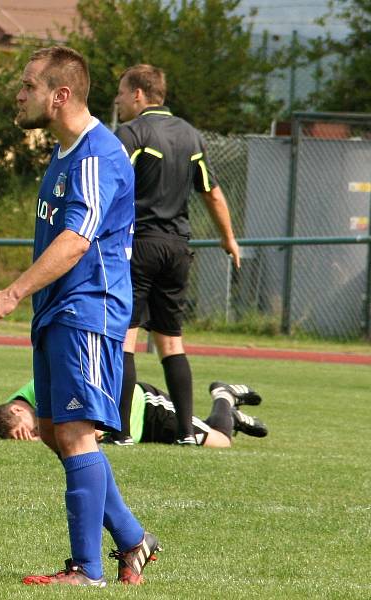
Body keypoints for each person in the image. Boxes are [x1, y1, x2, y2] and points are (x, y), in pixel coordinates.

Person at [0, 46, 159, 587]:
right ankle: (132, 538)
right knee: (55, 431)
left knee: (76, 433)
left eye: (28, 84)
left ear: (60, 95)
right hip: (59, 310)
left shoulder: (98, 156)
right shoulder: (63, 152)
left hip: (89, 308)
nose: (20, 92)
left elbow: (77, 242)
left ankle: (86, 569)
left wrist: (11, 293)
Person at [112, 64, 242, 446]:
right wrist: (229, 239)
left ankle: (120, 432)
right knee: (171, 342)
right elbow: (212, 193)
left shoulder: (131, 133)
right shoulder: (190, 135)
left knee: (125, 338)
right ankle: (187, 432)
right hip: (177, 249)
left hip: (139, 245)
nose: (118, 100)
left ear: (138, 94)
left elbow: (109, 184)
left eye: (121, 92)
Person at [0, 380, 268, 447]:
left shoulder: (43, 388)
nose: (32, 435)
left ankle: (224, 396)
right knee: (204, 431)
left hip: (144, 407)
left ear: (18, 408)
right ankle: (234, 416)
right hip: (132, 428)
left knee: (220, 442)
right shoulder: (14, 411)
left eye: (28, 431)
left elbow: (88, 425)